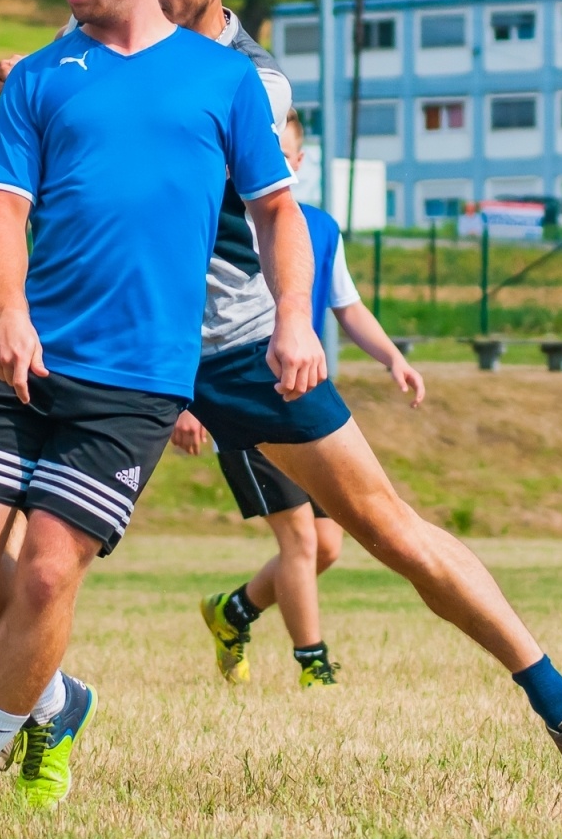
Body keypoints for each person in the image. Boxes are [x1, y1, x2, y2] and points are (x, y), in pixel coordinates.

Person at [0, 0, 562, 798]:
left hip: (239, 346)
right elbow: (84, 147)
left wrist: (296, 323)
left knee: (384, 528)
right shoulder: (83, 52)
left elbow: (211, 172)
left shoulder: (254, 80)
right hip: (115, 347)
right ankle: (9, 695)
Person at [0, 0, 322, 813]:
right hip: (29, 354)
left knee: (53, 570)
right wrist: (7, 314)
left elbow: (277, 213)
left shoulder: (228, 82)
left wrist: (296, 323)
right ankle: (52, 700)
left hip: (137, 377)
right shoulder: (41, 78)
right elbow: (4, 207)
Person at [180, 109, 422, 689]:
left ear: (298, 161)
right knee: (299, 539)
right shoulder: (221, 226)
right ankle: (314, 666)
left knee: (330, 546)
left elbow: (348, 307)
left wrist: (392, 357)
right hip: (245, 396)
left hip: (305, 399)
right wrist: (184, 402)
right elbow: (196, 316)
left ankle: (232, 611)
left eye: (282, 156)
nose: (269, 166)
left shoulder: (318, 227)